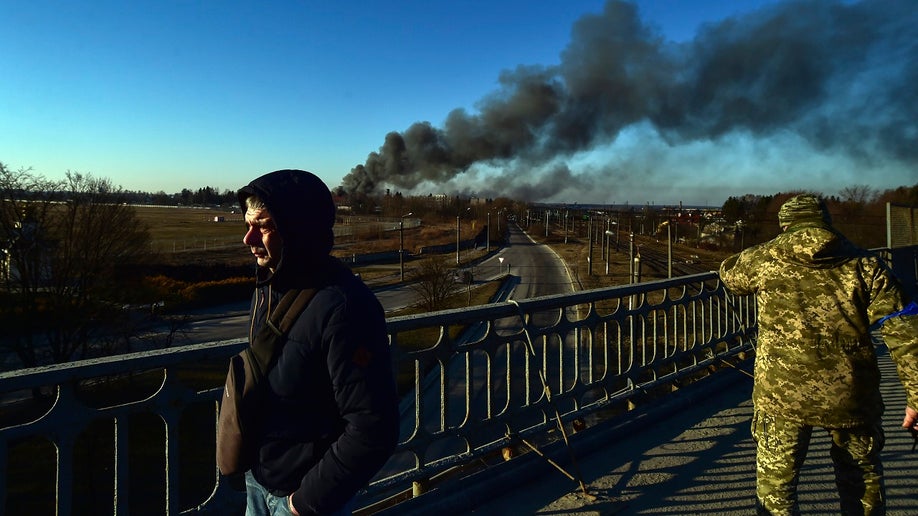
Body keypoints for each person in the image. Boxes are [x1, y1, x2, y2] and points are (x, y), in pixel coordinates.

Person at [718, 194, 918, 515]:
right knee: (862, 481)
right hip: (851, 395)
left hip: (782, 396)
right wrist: (916, 398)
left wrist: (773, 246)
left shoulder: (766, 260)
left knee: (777, 490)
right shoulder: (867, 265)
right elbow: (903, 329)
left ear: (785, 225)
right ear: (827, 221)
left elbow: (729, 273)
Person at [236, 169, 399, 516]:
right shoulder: (270, 287)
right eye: (248, 224)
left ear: (299, 230)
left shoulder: (345, 306)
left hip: (301, 498)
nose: (248, 238)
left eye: (263, 226)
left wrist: (304, 502)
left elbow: (374, 428)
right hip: (260, 481)